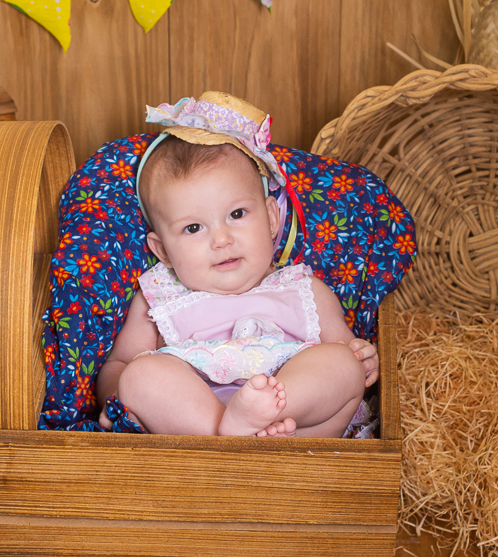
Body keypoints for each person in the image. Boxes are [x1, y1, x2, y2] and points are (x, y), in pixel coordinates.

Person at [95, 92, 379, 437]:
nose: (221, 240)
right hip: (196, 428)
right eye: (193, 228)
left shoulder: (304, 290)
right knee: (140, 375)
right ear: (163, 250)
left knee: (340, 363)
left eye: (237, 214)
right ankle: (226, 432)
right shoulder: (159, 297)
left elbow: (347, 351)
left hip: (295, 425)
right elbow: (118, 365)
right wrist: (118, 398)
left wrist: (362, 357)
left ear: (272, 218)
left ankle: (261, 417)